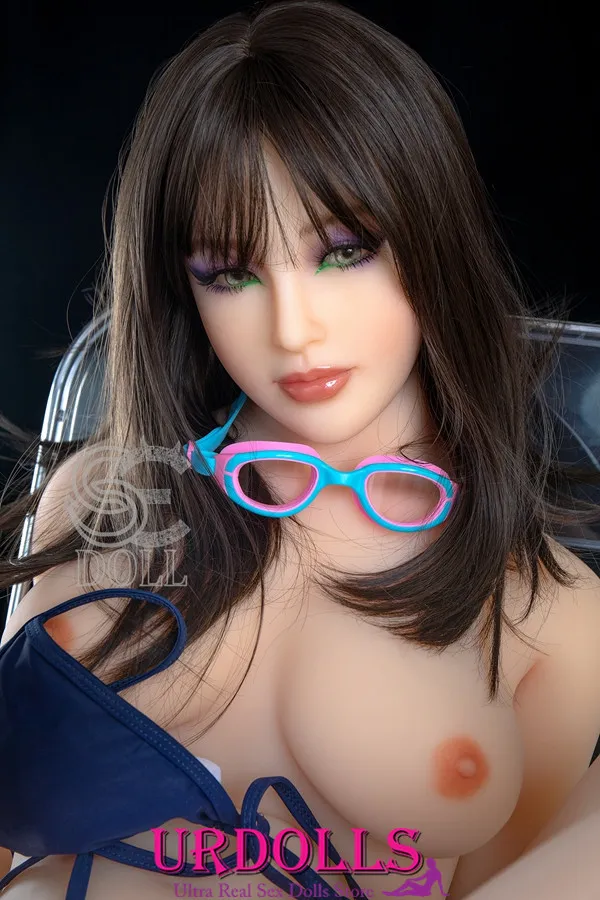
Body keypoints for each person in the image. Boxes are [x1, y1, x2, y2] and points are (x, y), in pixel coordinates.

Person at [1, 1, 600, 898]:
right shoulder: (101, 500)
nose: (293, 329)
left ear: (432, 237)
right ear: (183, 291)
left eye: (344, 252)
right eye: (231, 273)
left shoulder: (554, 611)